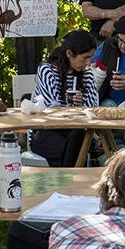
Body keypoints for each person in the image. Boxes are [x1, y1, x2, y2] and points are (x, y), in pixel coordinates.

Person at [31, 29, 100, 167]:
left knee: (77, 137)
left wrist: (81, 106)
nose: (88, 63)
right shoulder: (47, 71)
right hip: (47, 130)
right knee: (72, 150)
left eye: (90, 57)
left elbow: (94, 111)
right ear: (69, 53)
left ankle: (66, 183)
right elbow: (52, 109)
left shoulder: (87, 75)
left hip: (76, 131)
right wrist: (78, 112)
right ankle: (73, 180)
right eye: (85, 57)